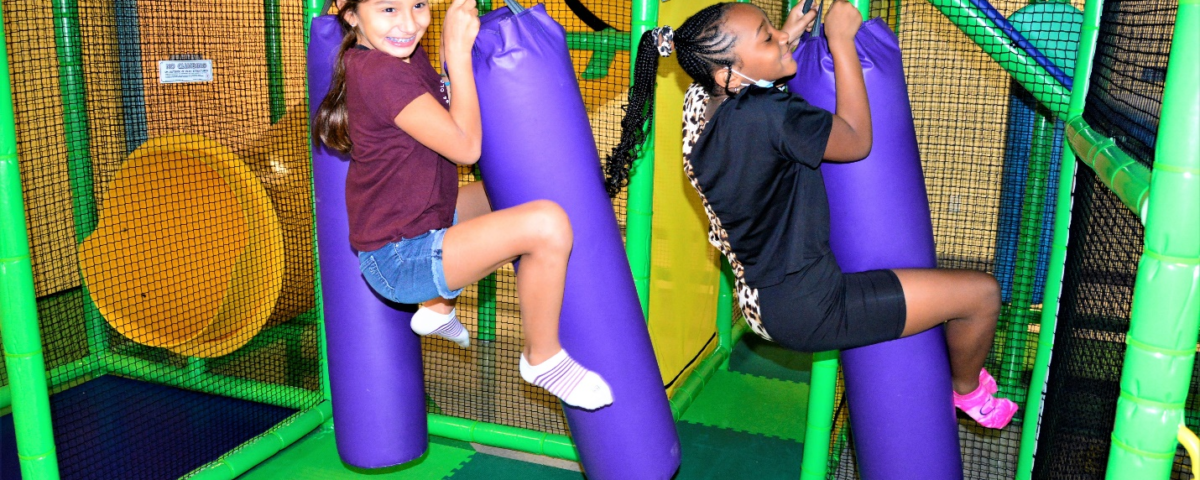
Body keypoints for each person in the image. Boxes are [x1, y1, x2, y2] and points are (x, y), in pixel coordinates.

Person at [602, 1, 1016, 428]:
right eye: (768, 36)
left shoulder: (703, 99)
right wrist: (840, 42)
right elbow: (856, 141)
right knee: (981, 295)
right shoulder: (771, 115)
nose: (780, 36)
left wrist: (786, 36)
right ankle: (965, 390)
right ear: (728, 72)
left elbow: (751, 89)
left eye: (772, 29)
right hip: (810, 307)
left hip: (762, 297)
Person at [312, 0, 612, 410]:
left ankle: (436, 309)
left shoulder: (402, 56)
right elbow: (466, 148)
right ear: (351, 15)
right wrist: (455, 55)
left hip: (427, 216)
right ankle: (542, 358)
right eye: (388, 9)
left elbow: (448, 105)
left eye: (418, 4)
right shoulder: (380, 73)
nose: (408, 22)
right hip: (399, 258)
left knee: (516, 191)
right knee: (547, 225)